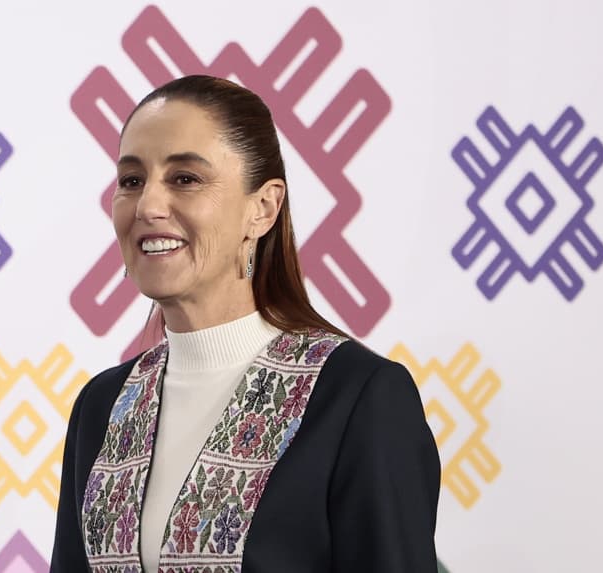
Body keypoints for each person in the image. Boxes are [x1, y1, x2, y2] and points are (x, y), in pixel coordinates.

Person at [50, 75, 440, 572]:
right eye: (131, 181)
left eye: (185, 178)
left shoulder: (356, 398)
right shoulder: (102, 407)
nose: (148, 205)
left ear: (263, 208)